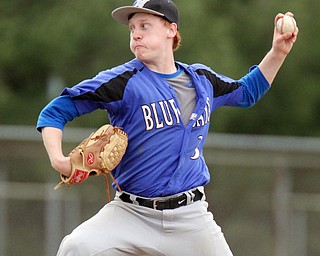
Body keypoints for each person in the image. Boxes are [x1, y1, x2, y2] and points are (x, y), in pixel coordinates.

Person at [36, 0, 298, 255]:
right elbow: (55, 111)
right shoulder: (122, 81)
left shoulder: (202, 80)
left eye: (144, 26)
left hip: (190, 216)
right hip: (131, 214)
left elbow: (248, 92)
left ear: (171, 30)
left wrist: (278, 52)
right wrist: (59, 160)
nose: (136, 35)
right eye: (132, 29)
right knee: (76, 247)